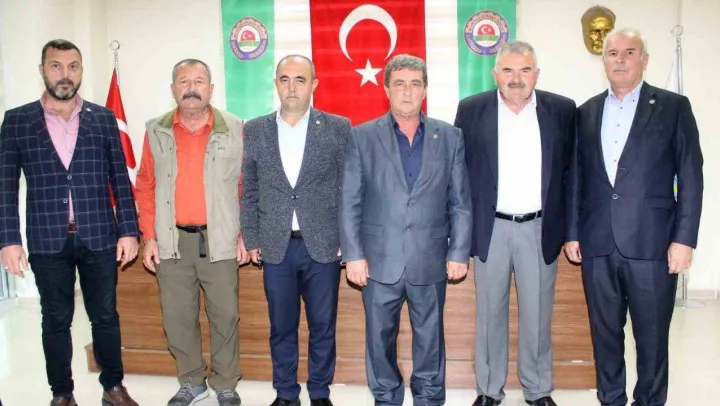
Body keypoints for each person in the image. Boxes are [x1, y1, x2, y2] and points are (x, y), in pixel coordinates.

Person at [566, 29, 703, 406]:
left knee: (652, 339)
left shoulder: (673, 107)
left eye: (629, 52)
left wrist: (684, 239)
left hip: (653, 244)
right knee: (605, 336)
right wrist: (573, 232)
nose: (620, 59)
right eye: (613, 53)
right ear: (604, 61)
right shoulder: (586, 111)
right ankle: (611, 399)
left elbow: (691, 176)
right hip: (597, 243)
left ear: (644, 60)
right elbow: (576, 176)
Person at [0, 39, 139, 406]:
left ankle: (113, 387)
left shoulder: (103, 118)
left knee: (105, 317)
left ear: (81, 71)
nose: (65, 74)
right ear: (42, 70)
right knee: (55, 320)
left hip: (99, 236)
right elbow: (5, 185)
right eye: (56, 66)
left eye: (73, 66)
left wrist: (128, 229)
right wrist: (8, 240)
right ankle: (62, 394)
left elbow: (119, 179)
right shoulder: (17, 120)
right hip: (47, 240)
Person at [340, 53, 472, 406]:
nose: (407, 91)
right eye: (399, 84)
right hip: (378, 259)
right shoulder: (361, 136)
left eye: (415, 83)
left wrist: (459, 251)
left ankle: (428, 398)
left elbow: (460, 201)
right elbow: (350, 200)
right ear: (386, 89)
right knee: (379, 338)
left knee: (430, 338)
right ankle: (386, 397)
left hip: (430, 257)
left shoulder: (450, 136)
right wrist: (353, 255)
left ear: (425, 89)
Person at [454, 41, 576, 406]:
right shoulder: (471, 109)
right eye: (508, 70)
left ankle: (537, 389)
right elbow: (458, 175)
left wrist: (572, 231)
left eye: (525, 70)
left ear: (536, 74)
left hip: (540, 229)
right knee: (489, 313)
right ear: (495, 75)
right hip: (490, 229)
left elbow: (572, 175)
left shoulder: (562, 110)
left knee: (538, 314)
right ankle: (489, 390)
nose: (516, 78)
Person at [241, 55, 352, 406]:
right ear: (276, 83)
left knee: (323, 326)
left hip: (324, 246)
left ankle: (319, 392)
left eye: (300, 79)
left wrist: (348, 240)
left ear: (314, 84)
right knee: (281, 327)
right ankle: (286, 394)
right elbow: (250, 188)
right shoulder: (255, 129)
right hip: (276, 247)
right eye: (285, 79)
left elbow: (349, 189)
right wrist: (252, 237)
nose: (292, 87)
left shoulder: (338, 128)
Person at [135, 59, 246, 406]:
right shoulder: (156, 130)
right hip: (172, 241)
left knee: (225, 315)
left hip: (221, 238)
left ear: (211, 89)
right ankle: (192, 381)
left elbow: (247, 185)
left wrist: (245, 234)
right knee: (178, 317)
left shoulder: (236, 128)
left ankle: (225, 383)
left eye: (199, 81)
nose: (191, 88)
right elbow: (145, 185)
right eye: (183, 81)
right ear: (173, 90)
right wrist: (149, 237)